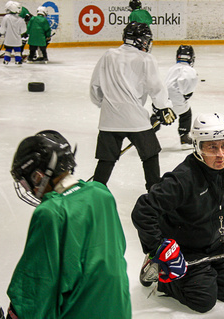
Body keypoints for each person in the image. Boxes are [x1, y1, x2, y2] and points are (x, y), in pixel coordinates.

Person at [132, 112, 224, 313]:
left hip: (214, 243)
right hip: (183, 249)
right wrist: (158, 248)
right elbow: (143, 210)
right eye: (212, 147)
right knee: (203, 300)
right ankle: (163, 279)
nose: (221, 154)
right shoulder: (183, 179)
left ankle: (202, 274)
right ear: (198, 147)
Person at [7, 130, 131, 319]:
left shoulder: (51, 212)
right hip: (118, 310)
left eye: (27, 183)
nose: (30, 190)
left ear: (38, 176)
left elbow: (35, 286)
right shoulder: (101, 193)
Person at [90, 21, 175, 192]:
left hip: (109, 120)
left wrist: (107, 106)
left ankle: (94, 197)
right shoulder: (146, 59)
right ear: (142, 40)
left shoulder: (108, 55)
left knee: (106, 161)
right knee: (150, 155)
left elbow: (95, 87)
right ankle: (154, 195)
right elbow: (156, 87)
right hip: (135, 120)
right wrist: (164, 107)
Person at [151, 45, 198, 149]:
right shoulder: (189, 70)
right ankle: (184, 138)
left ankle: (146, 135)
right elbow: (186, 88)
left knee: (158, 116)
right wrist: (187, 94)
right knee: (186, 114)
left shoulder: (173, 68)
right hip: (176, 101)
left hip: (162, 99)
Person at [0, 1, 27, 65]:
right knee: (17, 51)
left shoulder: (6, 17)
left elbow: (3, 28)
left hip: (8, 39)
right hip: (17, 40)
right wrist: (24, 34)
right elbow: (23, 30)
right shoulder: (20, 19)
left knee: (8, 50)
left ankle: (6, 60)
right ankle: (18, 60)